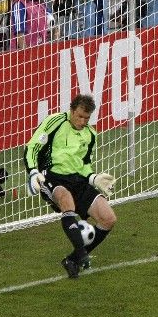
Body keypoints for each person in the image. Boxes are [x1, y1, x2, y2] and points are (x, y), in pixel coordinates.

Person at [23, 94, 117, 279]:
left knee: (108, 218)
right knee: (66, 201)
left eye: (87, 118)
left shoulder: (90, 134)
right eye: (80, 116)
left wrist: (93, 178)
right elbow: (32, 147)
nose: (83, 121)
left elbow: (84, 164)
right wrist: (33, 171)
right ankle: (83, 255)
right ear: (72, 111)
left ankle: (72, 260)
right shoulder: (55, 122)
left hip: (78, 181)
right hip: (52, 177)